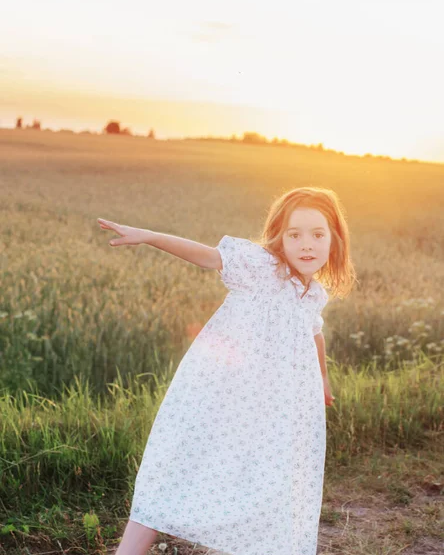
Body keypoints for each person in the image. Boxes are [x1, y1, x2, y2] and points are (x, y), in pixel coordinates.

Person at [97, 186, 356, 555]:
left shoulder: (313, 292)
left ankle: (249, 543)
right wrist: (149, 237)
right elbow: (207, 257)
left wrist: (324, 378)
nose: (306, 244)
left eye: (318, 234)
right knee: (180, 460)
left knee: (267, 478)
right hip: (224, 392)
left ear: (334, 240)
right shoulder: (260, 266)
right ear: (279, 238)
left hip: (277, 405)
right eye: (294, 234)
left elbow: (314, 333)